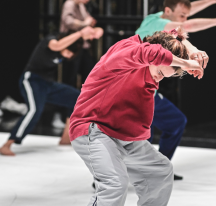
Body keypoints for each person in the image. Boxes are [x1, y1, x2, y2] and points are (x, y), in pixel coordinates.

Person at [70, 28, 203, 206]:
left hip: (125, 137)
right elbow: (148, 52)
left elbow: (175, 32)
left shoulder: (150, 69)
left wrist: (191, 49)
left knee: (160, 172)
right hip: (94, 129)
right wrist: (186, 64)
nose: (159, 78)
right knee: (115, 184)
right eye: (161, 73)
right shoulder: (126, 50)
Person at [135, 0, 216, 180]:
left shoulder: (156, 18)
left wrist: (211, 1)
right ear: (168, 11)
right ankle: (109, 176)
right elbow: (185, 27)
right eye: (181, 16)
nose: (184, 18)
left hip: (150, 91)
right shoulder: (157, 23)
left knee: (175, 123)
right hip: (136, 92)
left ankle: (159, 169)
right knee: (140, 136)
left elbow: (184, 21)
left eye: (185, 15)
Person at [0, 26, 102, 156]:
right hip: (32, 80)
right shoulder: (51, 40)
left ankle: (66, 138)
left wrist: (92, 33)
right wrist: (80, 33)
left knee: (77, 99)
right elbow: (57, 45)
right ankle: (8, 143)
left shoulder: (66, 47)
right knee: (34, 110)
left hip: (48, 84)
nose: (69, 56)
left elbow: (86, 35)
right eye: (69, 52)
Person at [60, 0, 103, 88]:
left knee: (88, 73)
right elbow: (68, 22)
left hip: (82, 44)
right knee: (71, 75)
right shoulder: (70, 4)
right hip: (72, 45)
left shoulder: (81, 5)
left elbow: (89, 20)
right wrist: (85, 23)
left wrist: (90, 23)